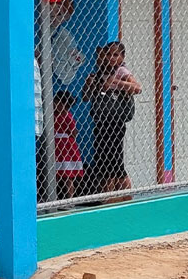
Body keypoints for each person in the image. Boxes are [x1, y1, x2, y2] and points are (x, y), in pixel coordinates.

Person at [83, 42, 141, 197]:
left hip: (116, 122)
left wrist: (115, 82)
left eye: (115, 55)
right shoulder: (98, 73)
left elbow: (137, 88)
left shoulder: (121, 71)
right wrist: (90, 86)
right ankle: (110, 195)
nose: (110, 58)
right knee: (103, 160)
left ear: (122, 57)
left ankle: (119, 196)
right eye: (108, 54)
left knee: (114, 161)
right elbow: (85, 97)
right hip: (101, 122)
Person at [53, 91, 85, 200]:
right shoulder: (53, 115)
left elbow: (73, 132)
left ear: (64, 105)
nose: (54, 104)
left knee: (68, 176)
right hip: (56, 147)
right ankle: (53, 197)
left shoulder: (67, 116)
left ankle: (70, 198)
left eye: (57, 102)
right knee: (55, 174)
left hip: (66, 148)